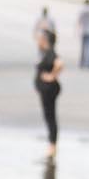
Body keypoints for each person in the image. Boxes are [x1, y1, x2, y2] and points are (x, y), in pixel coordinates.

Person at [34, 29, 63, 159]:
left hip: (49, 90)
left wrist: (51, 76)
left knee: (50, 117)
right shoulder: (45, 53)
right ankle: (51, 145)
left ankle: (52, 145)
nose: (38, 41)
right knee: (49, 117)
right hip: (46, 90)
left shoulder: (50, 53)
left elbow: (60, 63)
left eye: (40, 39)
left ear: (45, 41)